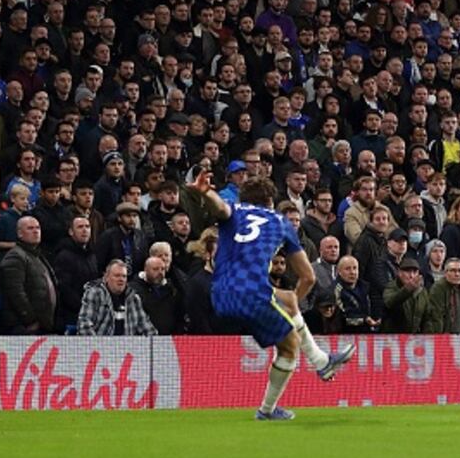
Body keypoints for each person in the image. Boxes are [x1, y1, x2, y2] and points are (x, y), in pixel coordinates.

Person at [186, 171, 354, 421]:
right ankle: (267, 409)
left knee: (285, 299)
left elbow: (219, 208)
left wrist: (205, 192)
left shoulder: (235, 211)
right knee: (289, 347)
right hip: (252, 294)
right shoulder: (280, 222)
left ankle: (320, 361)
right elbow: (308, 277)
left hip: (219, 292)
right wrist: (293, 318)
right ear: (270, 202)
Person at [0, 216, 58, 334]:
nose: (36, 231)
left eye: (38, 228)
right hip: (25, 327)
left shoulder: (36, 255)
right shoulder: (15, 256)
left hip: (42, 325)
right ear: (20, 234)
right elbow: (15, 293)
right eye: (30, 228)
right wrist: (31, 320)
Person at [77, 259, 157, 336]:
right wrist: (98, 346)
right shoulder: (95, 294)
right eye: (117, 275)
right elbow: (84, 325)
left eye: (124, 276)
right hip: (100, 346)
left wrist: (155, 344)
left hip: (128, 347)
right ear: (106, 277)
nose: (121, 279)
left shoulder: (134, 299)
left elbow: (147, 328)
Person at [382, 257, 439, 334]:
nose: (411, 275)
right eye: (408, 272)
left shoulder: (422, 291)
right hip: (393, 338)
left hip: (413, 339)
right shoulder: (392, 286)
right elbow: (390, 302)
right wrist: (408, 289)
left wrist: (426, 336)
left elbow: (427, 317)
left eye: (414, 272)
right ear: (399, 272)